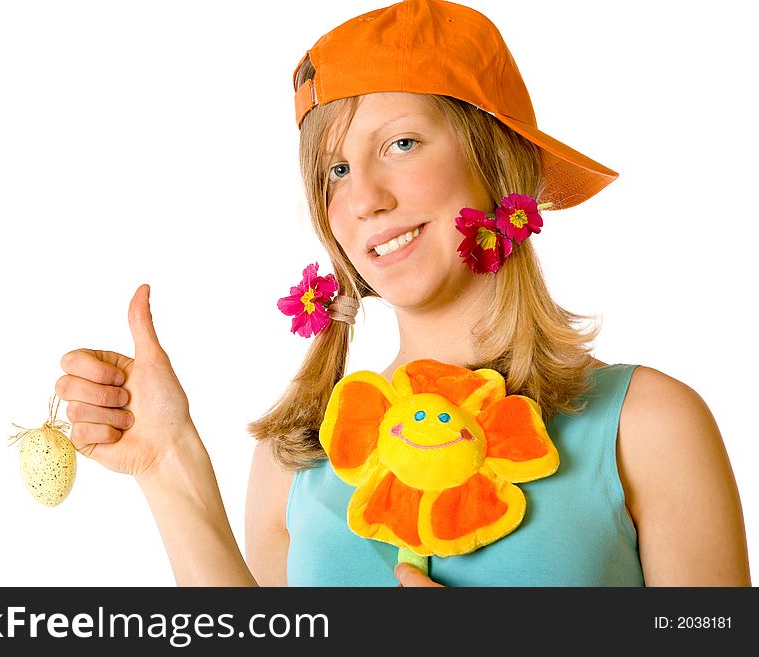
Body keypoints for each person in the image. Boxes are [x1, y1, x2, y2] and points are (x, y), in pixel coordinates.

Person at [53, 0, 750, 586]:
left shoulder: (648, 425)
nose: (365, 200)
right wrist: (167, 461)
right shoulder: (298, 460)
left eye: (403, 144)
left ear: (494, 158)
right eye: (336, 169)